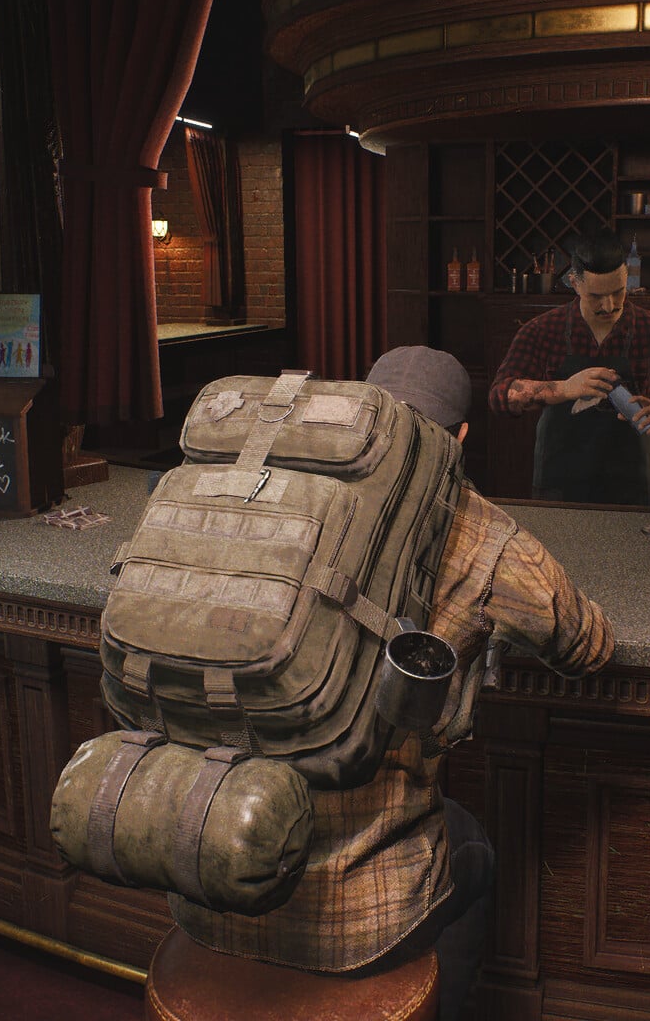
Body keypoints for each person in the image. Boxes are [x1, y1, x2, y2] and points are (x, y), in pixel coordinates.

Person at [169, 346, 614, 1020]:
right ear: (461, 437)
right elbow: (587, 645)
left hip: (206, 872)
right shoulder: (482, 531)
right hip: (360, 914)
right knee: (475, 851)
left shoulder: (271, 498)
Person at [489, 232, 650, 505]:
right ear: (575, 283)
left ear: (627, 277)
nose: (609, 306)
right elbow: (500, 397)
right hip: (559, 483)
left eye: (618, 292)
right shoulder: (541, 331)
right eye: (596, 296)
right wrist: (563, 389)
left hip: (630, 487)